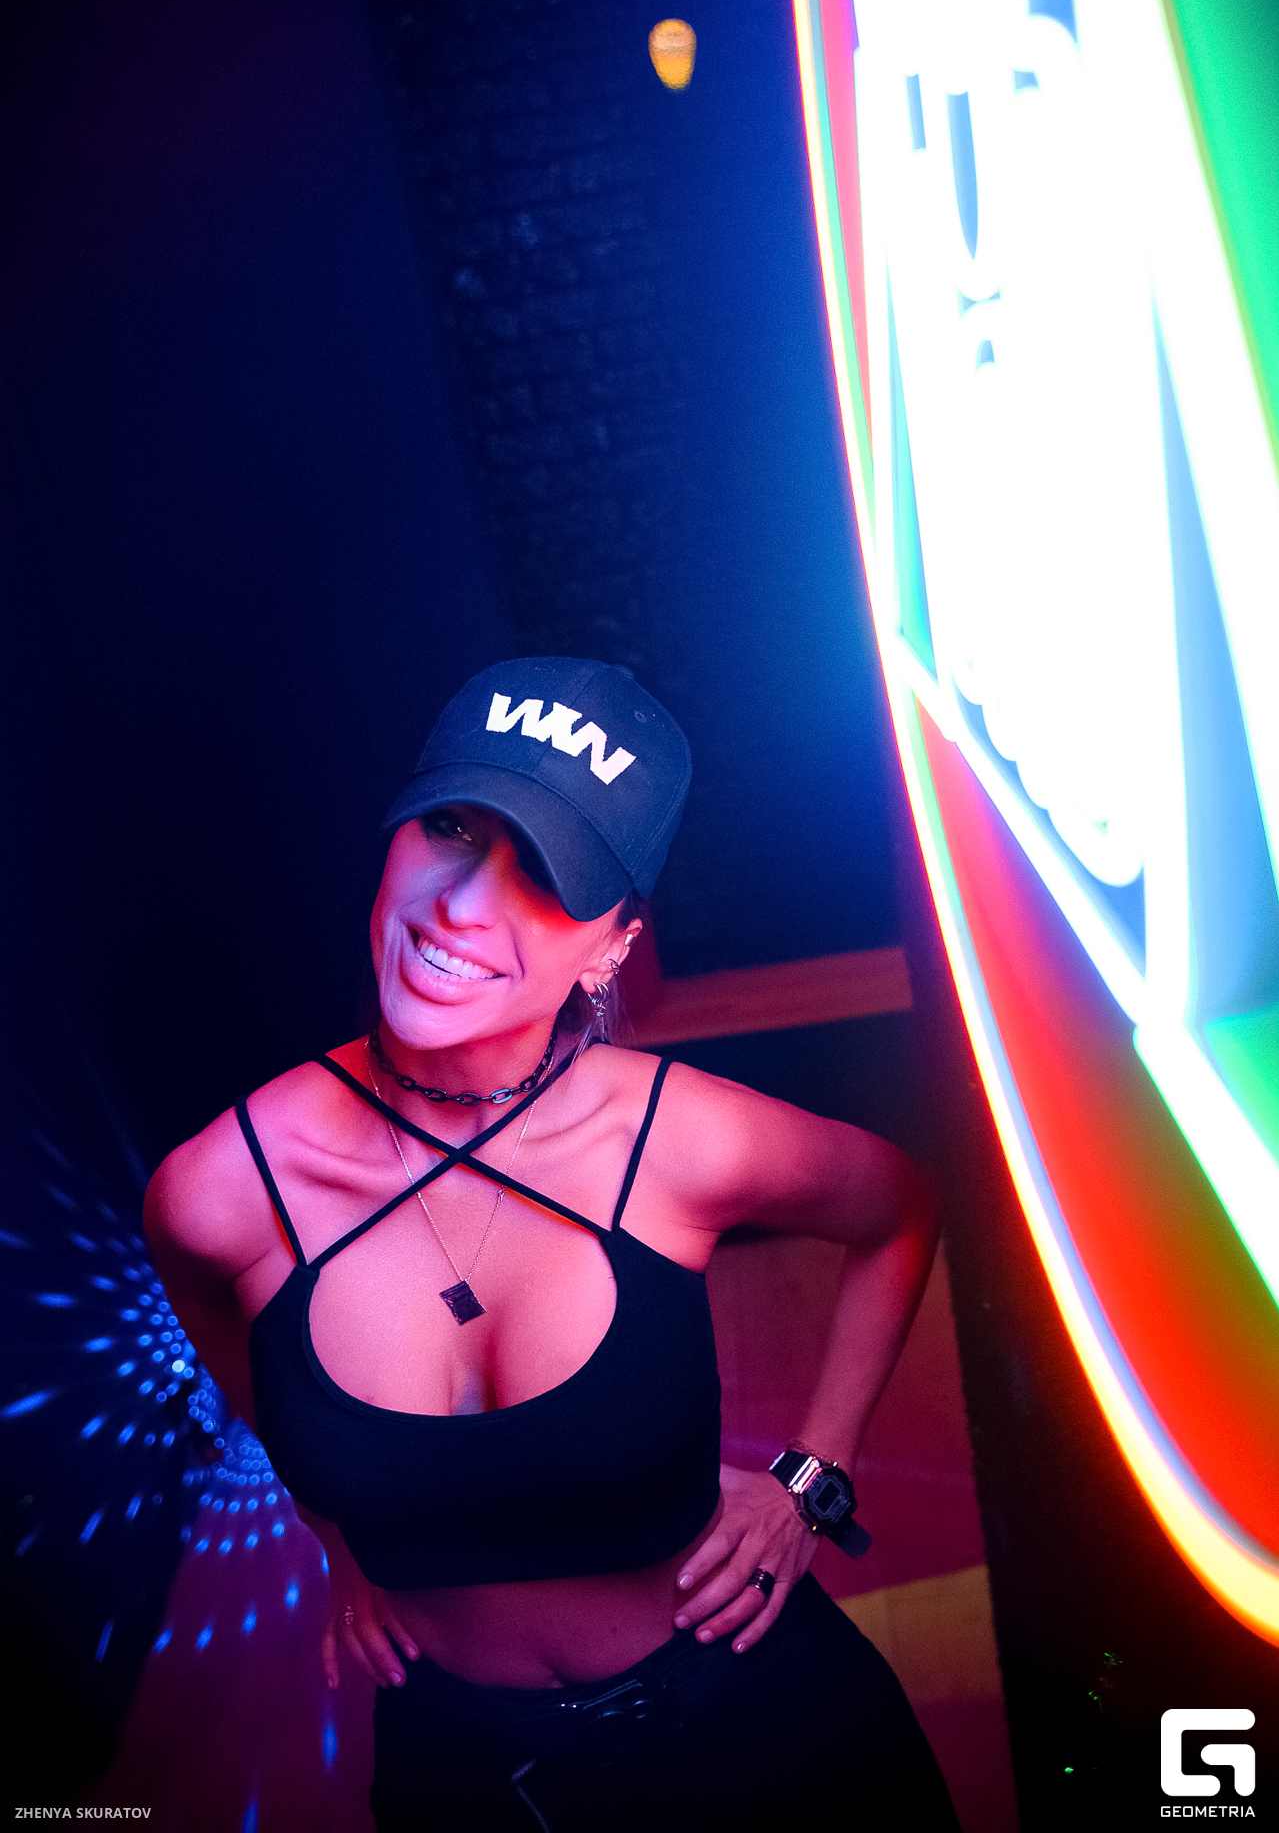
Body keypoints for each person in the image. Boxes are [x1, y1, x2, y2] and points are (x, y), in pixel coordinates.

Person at [145, 656, 959, 1831]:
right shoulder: (222, 1192)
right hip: (467, 1777)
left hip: (766, 1735)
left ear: (614, 945)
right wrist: (338, 1541)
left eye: (547, 875)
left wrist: (810, 1482)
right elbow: (232, 1346)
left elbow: (898, 1207)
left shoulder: (674, 1141)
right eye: (450, 828)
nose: (464, 906)